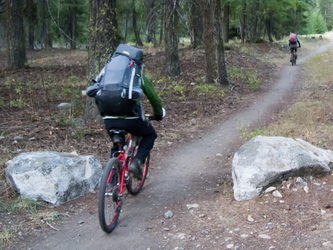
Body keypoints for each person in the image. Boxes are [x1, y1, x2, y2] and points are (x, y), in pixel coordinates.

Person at [103, 74, 164, 180]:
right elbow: (155, 99)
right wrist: (158, 114)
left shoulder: (107, 75)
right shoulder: (137, 75)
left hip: (109, 119)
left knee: (117, 145)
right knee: (150, 134)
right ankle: (137, 163)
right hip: (131, 120)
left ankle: (112, 180)